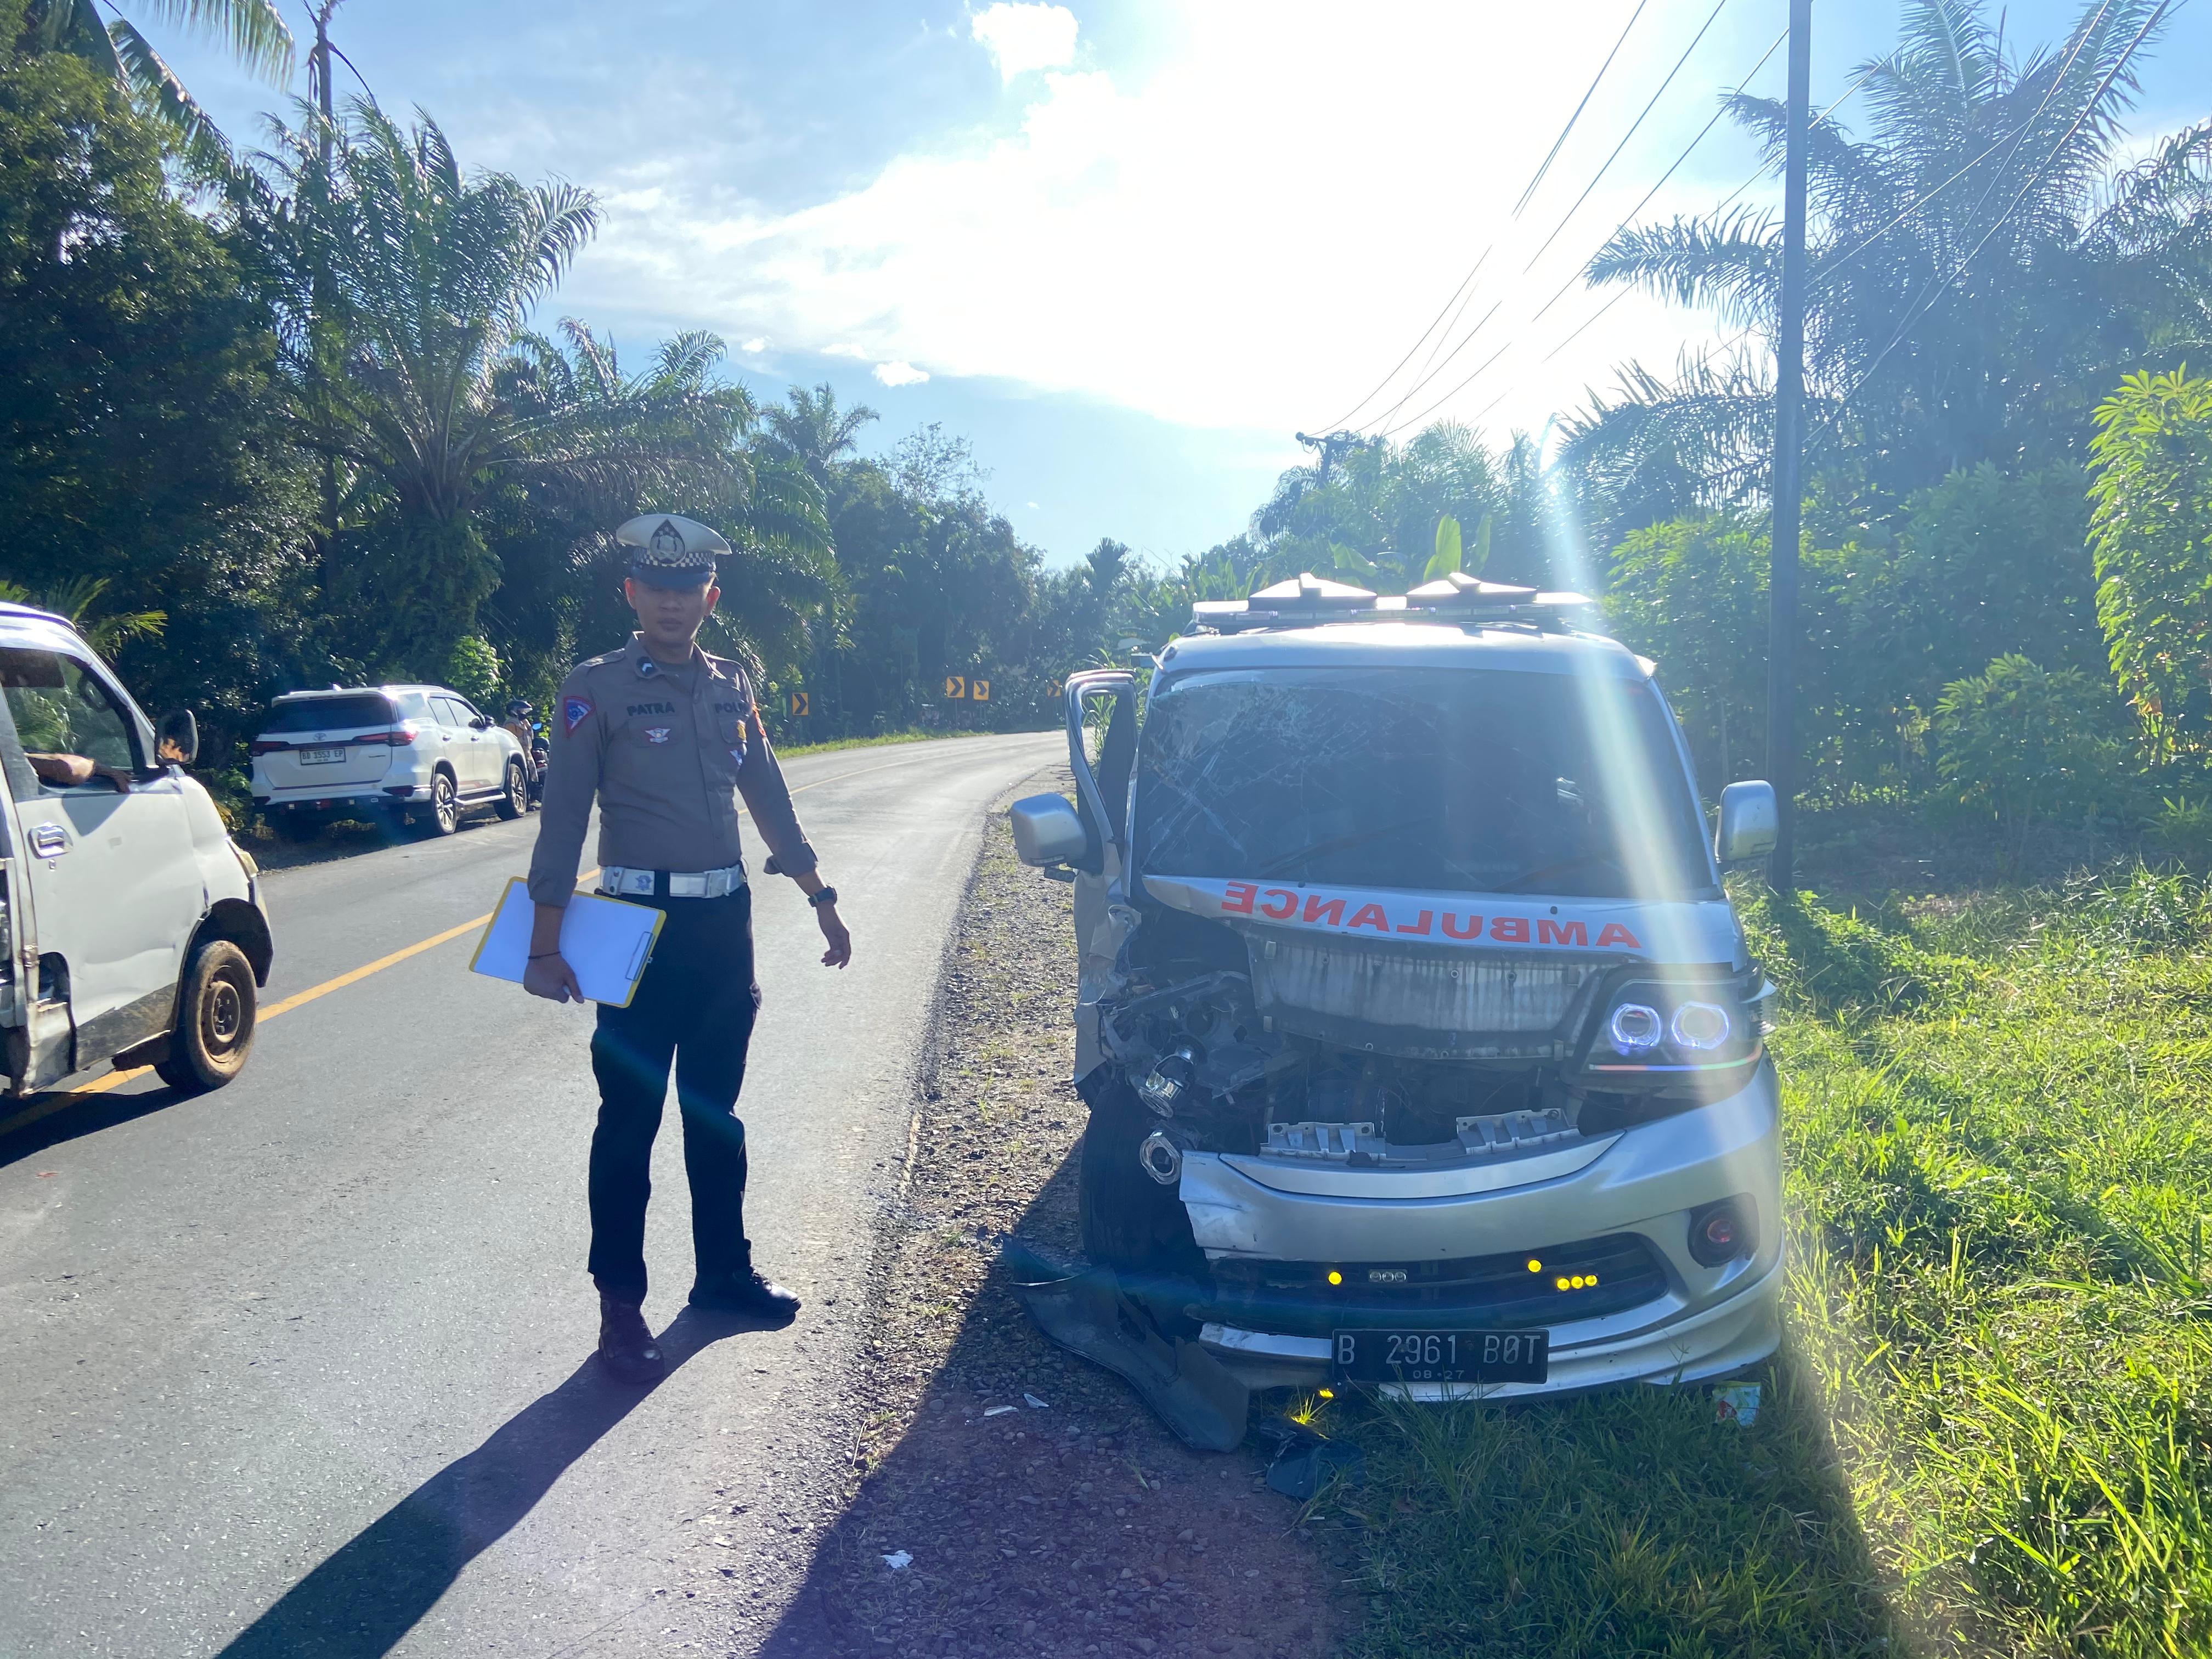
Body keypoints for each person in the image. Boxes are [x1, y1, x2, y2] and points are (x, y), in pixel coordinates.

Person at [523, 512, 853, 1384]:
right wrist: (543, 944)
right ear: (632, 593)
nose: (672, 605)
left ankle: (724, 1275)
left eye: (687, 590)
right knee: (627, 1122)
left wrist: (819, 897)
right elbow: (561, 824)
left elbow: (770, 799)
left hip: (722, 926)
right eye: (656, 589)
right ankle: (620, 1312)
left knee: (717, 1113)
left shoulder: (731, 686)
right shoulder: (594, 687)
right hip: (633, 928)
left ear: (710, 596)